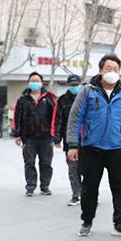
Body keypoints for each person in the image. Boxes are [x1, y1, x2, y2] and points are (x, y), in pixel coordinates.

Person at [66, 54, 121, 237]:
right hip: (91, 149)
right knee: (89, 187)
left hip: (117, 149)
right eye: (108, 69)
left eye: (116, 69)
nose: (112, 72)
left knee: (119, 187)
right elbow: (75, 118)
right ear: (100, 70)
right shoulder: (88, 91)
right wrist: (73, 145)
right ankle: (87, 221)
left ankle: (120, 223)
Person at [12, 72, 56, 196]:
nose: (35, 83)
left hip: (46, 138)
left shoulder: (49, 98)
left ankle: (45, 186)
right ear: (28, 83)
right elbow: (17, 117)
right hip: (28, 138)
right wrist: (17, 134)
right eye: (32, 81)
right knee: (29, 162)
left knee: (46, 163)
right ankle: (30, 187)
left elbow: (56, 117)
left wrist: (55, 135)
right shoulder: (22, 99)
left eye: (37, 81)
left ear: (42, 83)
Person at [52, 74, 83, 206]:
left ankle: (91, 194)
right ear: (68, 85)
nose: (75, 87)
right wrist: (57, 138)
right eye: (72, 85)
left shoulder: (88, 97)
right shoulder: (63, 100)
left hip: (88, 141)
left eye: (77, 85)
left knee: (90, 170)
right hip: (70, 141)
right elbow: (58, 119)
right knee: (73, 170)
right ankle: (76, 195)